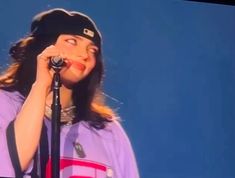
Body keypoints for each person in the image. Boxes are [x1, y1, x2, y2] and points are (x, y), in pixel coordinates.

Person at [0, 8, 139, 178]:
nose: (84, 55)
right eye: (72, 41)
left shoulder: (107, 130)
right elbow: (12, 163)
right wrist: (42, 85)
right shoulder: (5, 103)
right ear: (43, 46)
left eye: (92, 50)